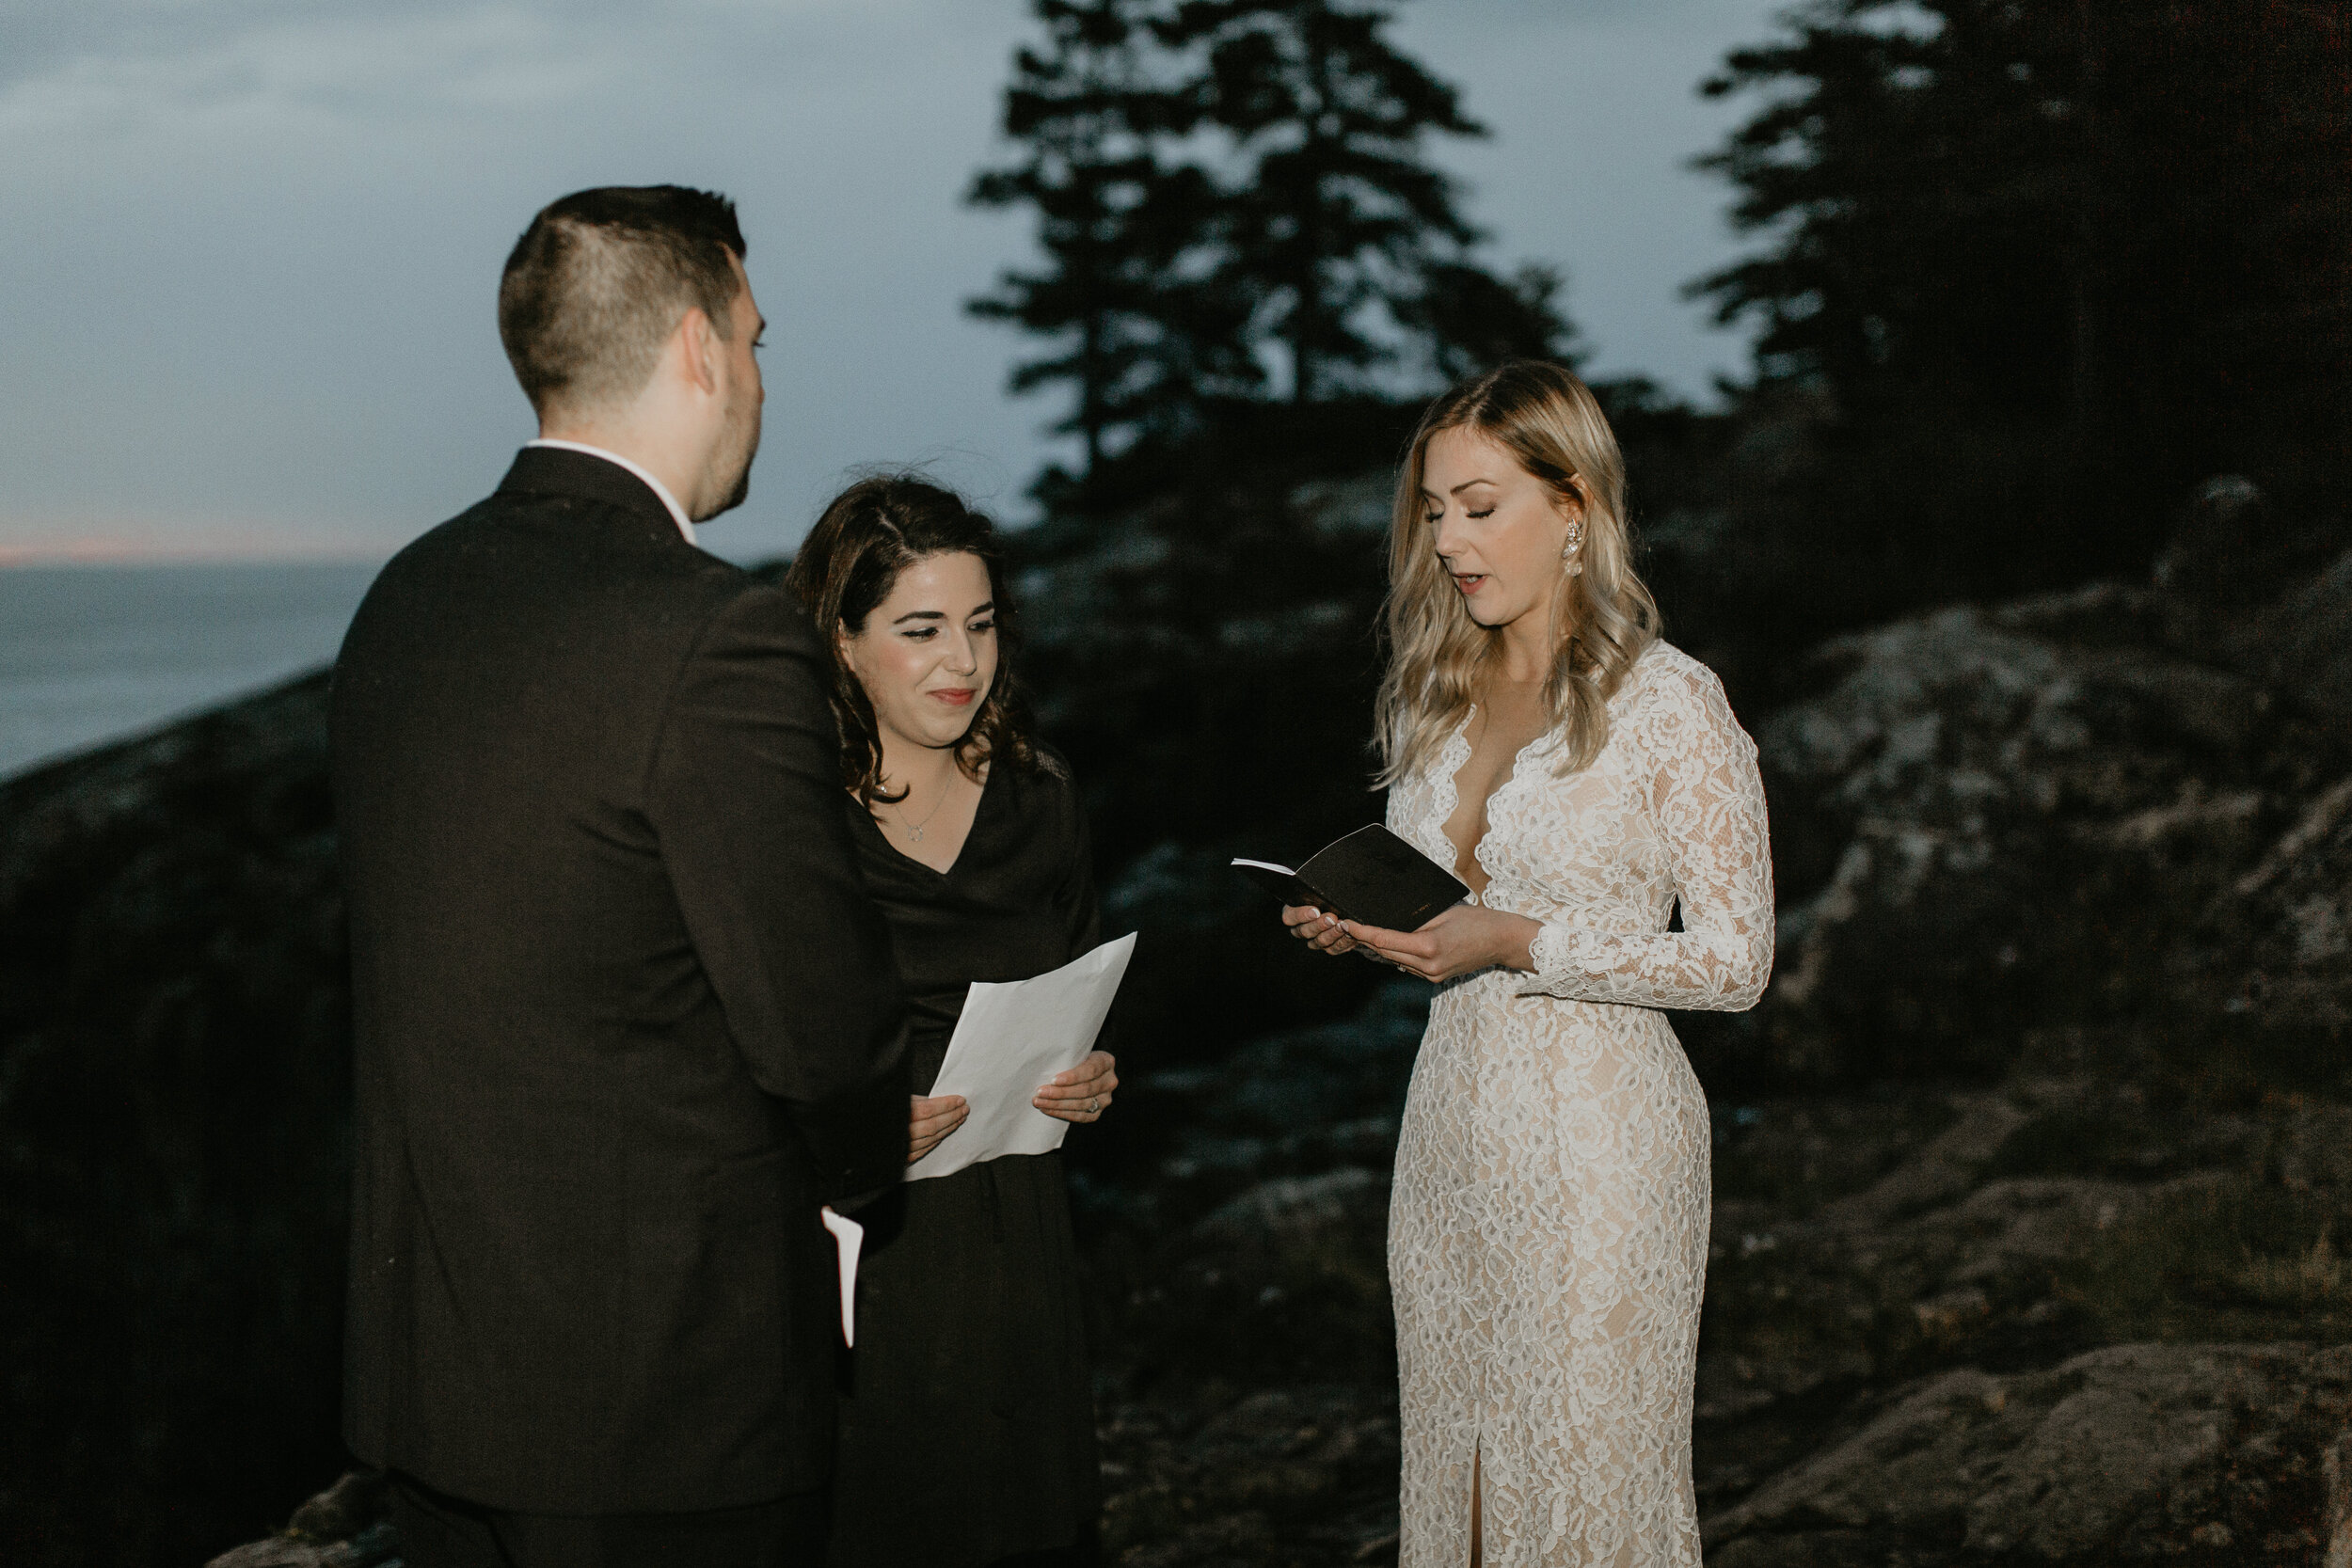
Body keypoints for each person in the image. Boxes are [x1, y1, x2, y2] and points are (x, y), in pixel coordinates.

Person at [331, 186, 911, 1568]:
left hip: (440, 1390)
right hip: (665, 1406)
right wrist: (863, 1168)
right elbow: (822, 1033)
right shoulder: (713, 638)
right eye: (760, 343)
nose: (763, 383)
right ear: (701, 350)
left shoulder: (401, 601)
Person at [1285, 361, 1774, 1566]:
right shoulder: (1434, 700)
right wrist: (1357, 923)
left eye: (1479, 503)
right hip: (1452, 1122)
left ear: (1572, 508)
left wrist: (1521, 937)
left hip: (1606, 1137)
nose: (1448, 537)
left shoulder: (1670, 701)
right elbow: (1444, 921)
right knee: (1456, 1468)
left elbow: (1737, 960)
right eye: (1433, 508)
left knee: (1586, 1488)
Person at [782, 476, 1119, 1568]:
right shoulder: (789, 825)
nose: (961, 662)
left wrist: (1097, 1077)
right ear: (842, 640)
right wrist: (837, 1131)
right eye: (920, 629)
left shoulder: (1042, 794)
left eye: (978, 626)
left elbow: (1082, 989)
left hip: (1020, 1238)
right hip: (862, 1261)